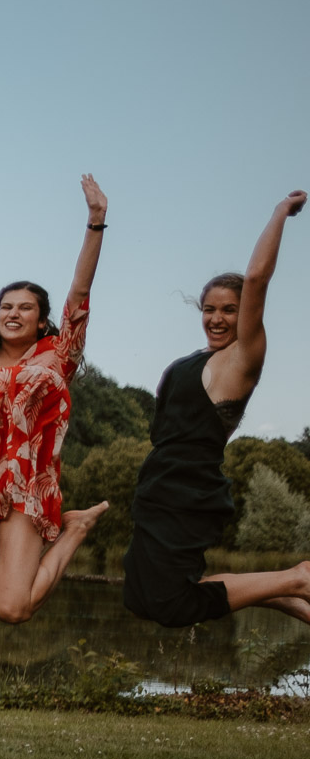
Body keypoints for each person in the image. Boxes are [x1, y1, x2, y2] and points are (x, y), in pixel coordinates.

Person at [124, 190, 310, 627]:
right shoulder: (193, 361)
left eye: (229, 310)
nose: (217, 318)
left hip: (189, 490)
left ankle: (298, 578)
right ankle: (287, 593)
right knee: (140, 597)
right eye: (209, 309)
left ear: (244, 314)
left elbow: (258, 277)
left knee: (171, 604)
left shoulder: (242, 358)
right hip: (158, 485)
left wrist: (281, 212)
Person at [0, 175, 112, 622]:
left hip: (27, 488)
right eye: (6, 307)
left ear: (43, 319)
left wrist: (95, 223)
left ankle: (74, 530)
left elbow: (80, 296)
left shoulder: (57, 357)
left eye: (25, 307)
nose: (14, 314)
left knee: (12, 609)